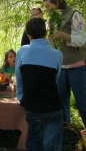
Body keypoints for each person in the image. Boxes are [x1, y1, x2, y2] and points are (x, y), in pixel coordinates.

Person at [15, 17, 63, 150]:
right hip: (53, 106)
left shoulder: (22, 51)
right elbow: (55, 79)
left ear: (28, 35)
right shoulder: (57, 54)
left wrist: (21, 98)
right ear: (46, 32)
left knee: (35, 139)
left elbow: (19, 80)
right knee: (52, 144)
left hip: (32, 106)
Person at [43, 0, 86, 127]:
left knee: (83, 102)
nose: (46, 10)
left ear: (56, 3)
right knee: (61, 103)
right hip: (61, 67)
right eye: (45, 7)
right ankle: (68, 133)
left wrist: (63, 35)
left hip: (77, 66)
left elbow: (81, 40)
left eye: (48, 6)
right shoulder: (52, 19)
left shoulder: (74, 14)